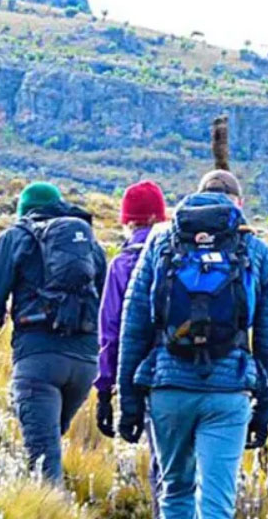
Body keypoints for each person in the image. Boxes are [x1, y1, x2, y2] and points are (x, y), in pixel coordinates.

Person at [117, 159, 268, 519]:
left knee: (175, 490)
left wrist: (129, 401)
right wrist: (265, 411)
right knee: (216, 503)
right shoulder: (256, 251)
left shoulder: (162, 242)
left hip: (168, 387)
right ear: (237, 204)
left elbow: (134, 326)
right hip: (228, 392)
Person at [0, 181, 106, 483]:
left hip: (38, 359)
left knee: (44, 464)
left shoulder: (15, 237)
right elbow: (103, 299)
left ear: (24, 211)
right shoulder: (89, 244)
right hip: (86, 362)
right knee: (50, 444)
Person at [94, 180, 167, 513]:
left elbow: (111, 332)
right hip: (204, 370)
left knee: (165, 467)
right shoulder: (176, 255)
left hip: (148, 378)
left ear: (128, 220)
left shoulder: (122, 264)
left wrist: (105, 391)